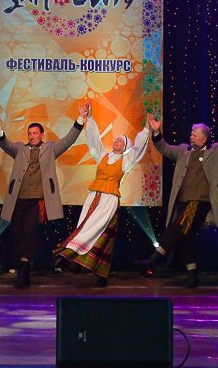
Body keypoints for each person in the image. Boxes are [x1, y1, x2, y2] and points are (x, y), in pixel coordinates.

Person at [137, 113, 218, 288]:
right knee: (185, 236)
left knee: (178, 226)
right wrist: (156, 132)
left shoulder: (215, 151)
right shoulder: (183, 151)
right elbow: (164, 148)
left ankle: (155, 258)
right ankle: (192, 275)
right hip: (183, 200)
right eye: (191, 133)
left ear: (204, 138)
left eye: (194, 134)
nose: (191, 136)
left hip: (200, 200)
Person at [0, 103, 91, 289]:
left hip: (37, 200)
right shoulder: (20, 149)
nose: (31, 136)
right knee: (17, 233)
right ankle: (24, 264)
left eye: (35, 133)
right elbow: (5, 144)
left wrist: (80, 118)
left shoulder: (50, 149)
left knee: (30, 231)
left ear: (41, 135)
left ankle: (23, 267)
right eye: (29, 133)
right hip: (18, 199)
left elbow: (69, 140)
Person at [52, 118, 150, 286]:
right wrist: (89, 119)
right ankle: (77, 259)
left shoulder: (126, 160)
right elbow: (94, 139)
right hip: (93, 197)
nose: (117, 140)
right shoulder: (103, 155)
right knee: (85, 226)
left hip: (109, 199)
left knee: (99, 231)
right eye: (116, 139)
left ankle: (72, 255)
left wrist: (147, 129)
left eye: (121, 141)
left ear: (125, 147)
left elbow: (139, 147)